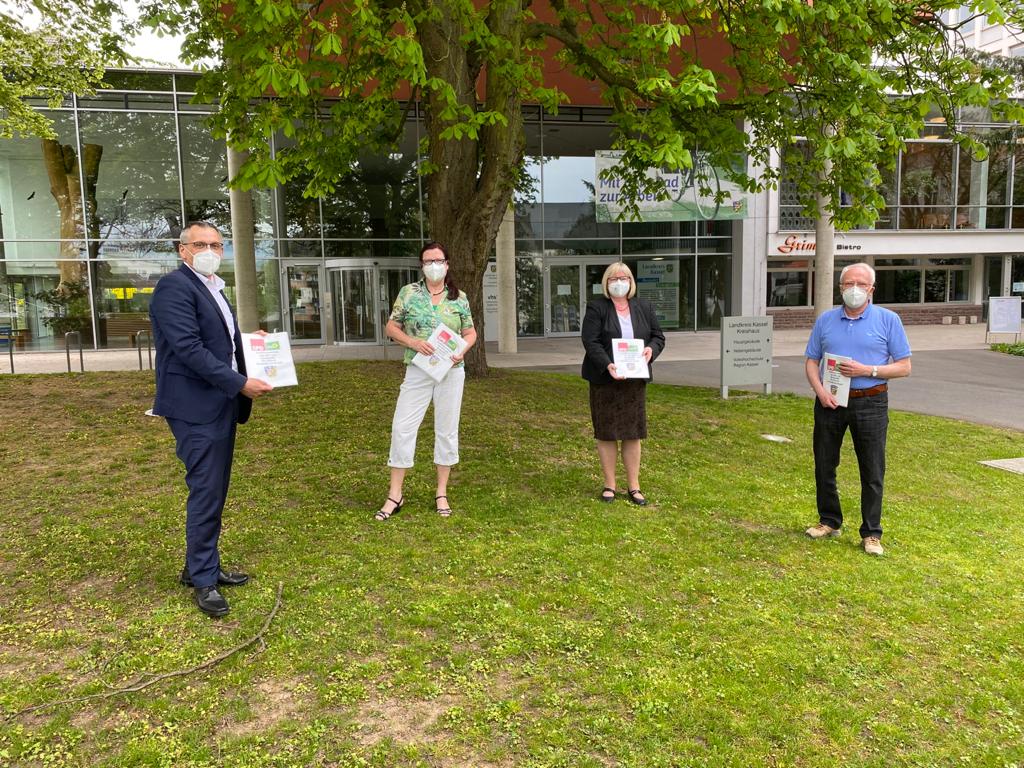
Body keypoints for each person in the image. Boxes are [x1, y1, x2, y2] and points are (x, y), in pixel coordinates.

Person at [150, 221, 273, 617]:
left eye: (217, 244)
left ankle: (202, 565)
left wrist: (254, 344)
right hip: (194, 407)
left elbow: (220, 342)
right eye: (200, 243)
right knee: (205, 491)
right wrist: (240, 383)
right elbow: (188, 348)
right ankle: (202, 579)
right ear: (181, 249)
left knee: (214, 489)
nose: (210, 250)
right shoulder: (175, 287)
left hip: (217, 403)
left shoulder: (213, 287)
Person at [804, 262, 912, 556]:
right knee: (825, 463)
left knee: (872, 468)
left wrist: (869, 369)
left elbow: (904, 366)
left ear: (871, 289)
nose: (854, 289)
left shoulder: (888, 320)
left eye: (861, 284)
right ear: (840, 288)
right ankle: (829, 520)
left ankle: (871, 533)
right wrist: (820, 390)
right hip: (831, 400)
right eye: (848, 283)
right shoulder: (826, 320)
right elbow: (812, 360)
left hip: (871, 401)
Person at [376, 242, 477, 520]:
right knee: (402, 427)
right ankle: (395, 494)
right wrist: (413, 342)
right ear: (422, 265)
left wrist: (461, 351)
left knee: (446, 430)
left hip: (451, 372)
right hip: (418, 370)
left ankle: (441, 492)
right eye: (428, 261)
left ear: (447, 264)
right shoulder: (409, 293)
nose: (434, 265)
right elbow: (391, 326)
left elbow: (470, 333)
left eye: (438, 260)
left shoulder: (459, 297)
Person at [581, 261, 666, 506]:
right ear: (606, 283)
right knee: (607, 433)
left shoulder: (644, 306)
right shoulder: (597, 308)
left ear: (631, 282)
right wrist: (607, 364)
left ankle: (634, 486)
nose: (619, 282)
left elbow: (658, 336)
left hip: (634, 380)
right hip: (605, 379)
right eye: (613, 278)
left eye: (624, 277)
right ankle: (610, 484)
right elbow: (591, 341)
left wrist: (651, 349)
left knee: (632, 433)